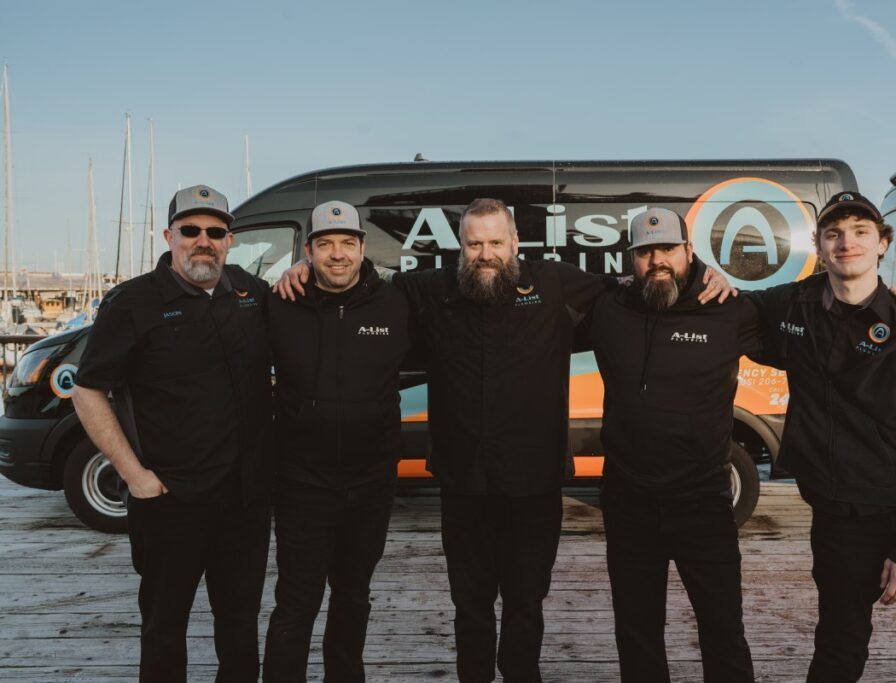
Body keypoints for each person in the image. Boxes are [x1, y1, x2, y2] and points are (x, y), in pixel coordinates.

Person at [276, 197, 731, 682]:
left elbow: (639, 284)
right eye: (475, 244)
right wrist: (301, 272)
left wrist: (709, 275)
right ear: (461, 246)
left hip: (534, 486)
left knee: (525, 604)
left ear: (515, 242)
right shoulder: (429, 289)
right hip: (463, 486)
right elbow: (362, 283)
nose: (486, 254)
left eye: (496, 242)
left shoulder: (556, 283)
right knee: (469, 606)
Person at [753, 191, 896, 681]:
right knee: (839, 651)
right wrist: (700, 276)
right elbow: (725, 309)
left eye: (861, 232)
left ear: (882, 243)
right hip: (837, 521)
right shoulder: (792, 306)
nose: (847, 242)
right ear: (819, 246)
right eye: (834, 233)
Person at [72, 185, 274, 682]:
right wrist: (134, 475)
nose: (203, 241)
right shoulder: (132, 302)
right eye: (190, 230)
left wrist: (299, 272)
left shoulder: (252, 293)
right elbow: (88, 391)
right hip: (169, 501)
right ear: (169, 236)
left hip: (244, 501)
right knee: (164, 627)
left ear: (230, 240)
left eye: (215, 232)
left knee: (240, 625)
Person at [584, 208, 760, 682]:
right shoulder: (608, 308)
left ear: (688, 251)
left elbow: (803, 311)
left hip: (702, 501)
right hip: (628, 502)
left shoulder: (728, 308)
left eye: (667, 249)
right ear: (631, 259)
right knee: (637, 632)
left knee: (723, 630)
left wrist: (885, 296)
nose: (656, 260)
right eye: (645, 252)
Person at [262, 201, 412, 681]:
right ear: (308, 251)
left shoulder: (396, 303)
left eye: (348, 242)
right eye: (325, 244)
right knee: (297, 599)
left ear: (363, 248)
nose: (338, 254)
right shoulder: (278, 304)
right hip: (302, 484)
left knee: (352, 596)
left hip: (370, 485)